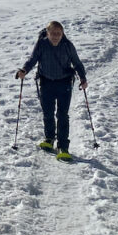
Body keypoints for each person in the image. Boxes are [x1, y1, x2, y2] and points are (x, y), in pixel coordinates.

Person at [15, 20, 87, 161]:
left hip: (64, 83)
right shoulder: (41, 44)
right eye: (53, 33)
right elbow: (32, 59)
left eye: (58, 34)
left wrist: (83, 79)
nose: (55, 36)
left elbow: (77, 63)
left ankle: (63, 146)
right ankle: (49, 139)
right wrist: (24, 70)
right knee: (47, 113)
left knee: (62, 115)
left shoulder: (68, 45)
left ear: (62, 34)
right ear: (47, 33)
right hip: (46, 83)